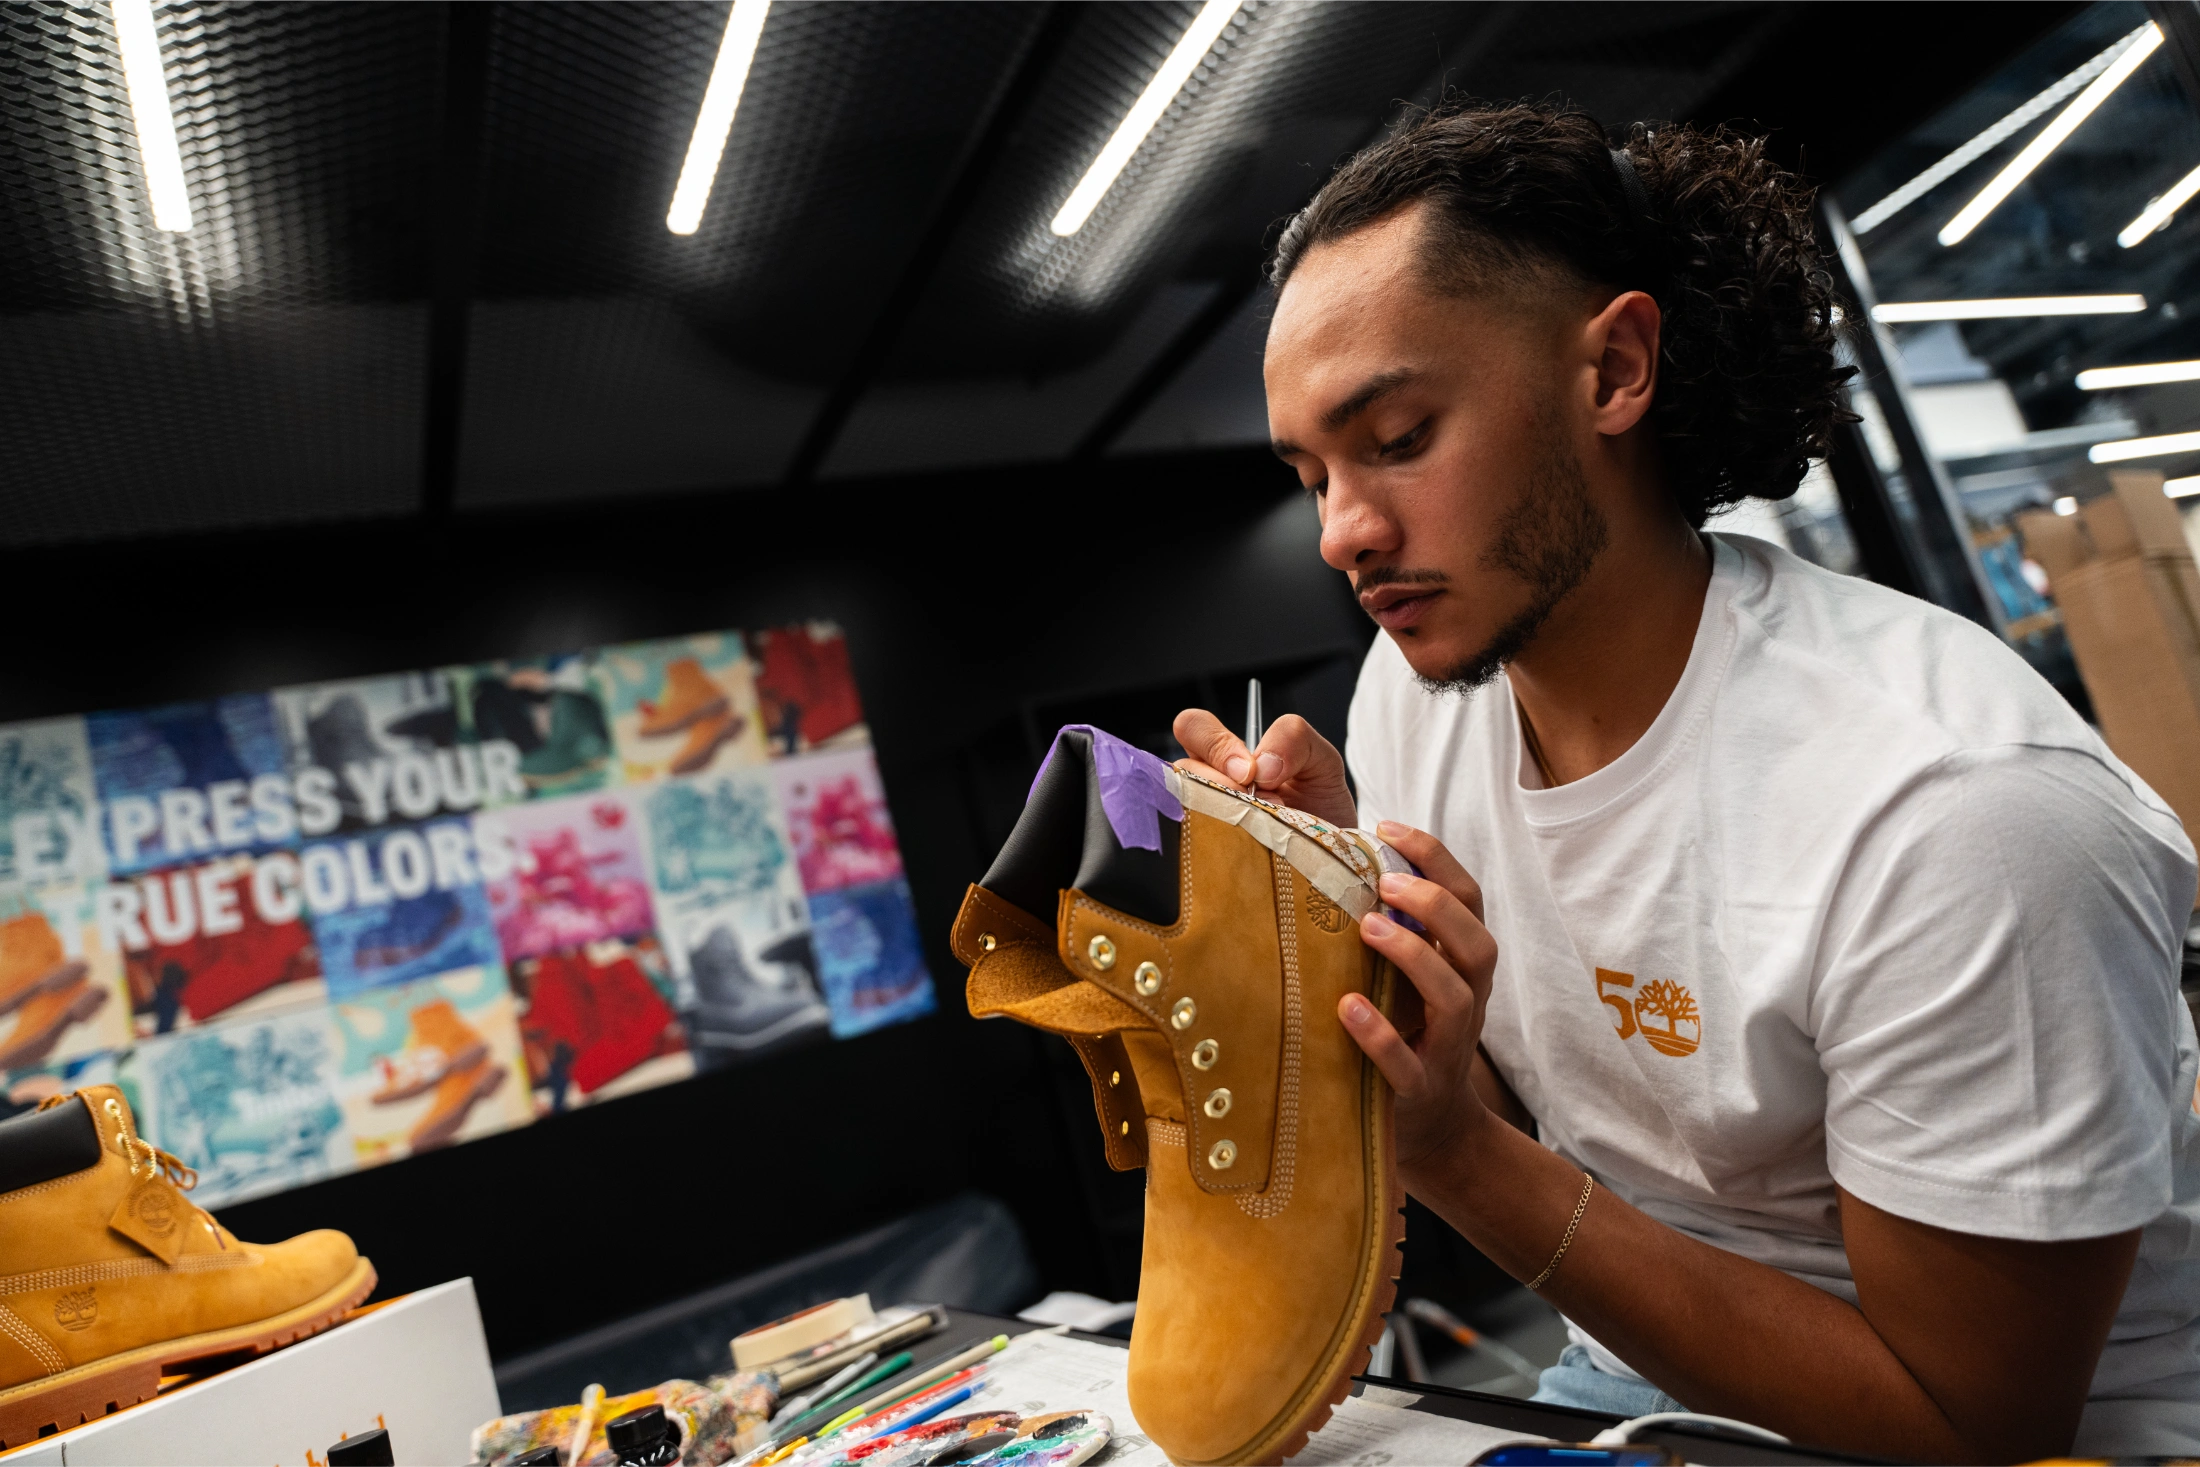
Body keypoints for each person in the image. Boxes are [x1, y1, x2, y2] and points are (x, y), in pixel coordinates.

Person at [1171, 101, 2200, 1463]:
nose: (1340, 534)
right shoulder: (1413, 701)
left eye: (1401, 437)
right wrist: (1347, 939)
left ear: (1614, 370)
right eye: (1313, 475)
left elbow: (1971, 1424)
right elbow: (1509, 1110)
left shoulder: (1959, 807)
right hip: (1632, 1377)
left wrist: (1458, 1155)